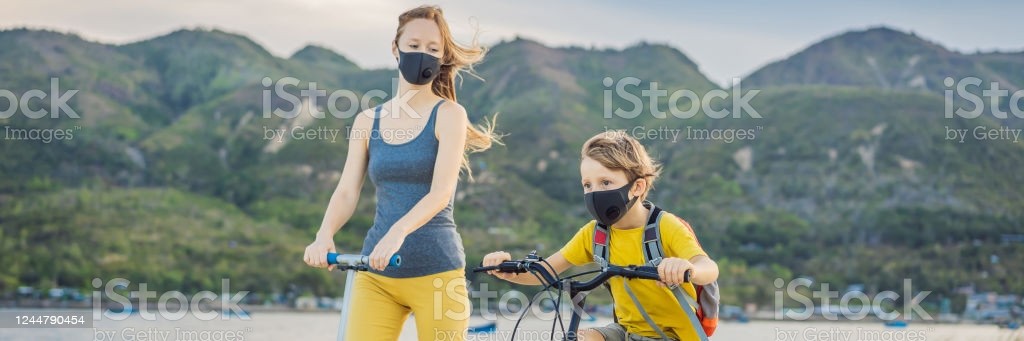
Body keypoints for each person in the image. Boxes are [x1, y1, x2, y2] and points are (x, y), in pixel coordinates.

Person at [302, 5, 499, 340]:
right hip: (376, 275)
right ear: (396, 48)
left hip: (438, 273)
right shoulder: (367, 121)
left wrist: (397, 233)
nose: (423, 54)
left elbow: (440, 194)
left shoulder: (449, 114)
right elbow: (348, 190)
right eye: (414, 45)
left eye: (433, 49)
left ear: (442, 57)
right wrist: (324, 235)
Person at [482, 131, 719, 341]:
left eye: (606, 182)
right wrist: (505, 269)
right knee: (581, 338)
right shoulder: (595, 235)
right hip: (626, 333)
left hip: (677, 336)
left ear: (636, 187)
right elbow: (545, 273)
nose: (595, 193)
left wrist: (686, 267)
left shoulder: (664, 226)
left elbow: (708, 268)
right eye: (587, 185)